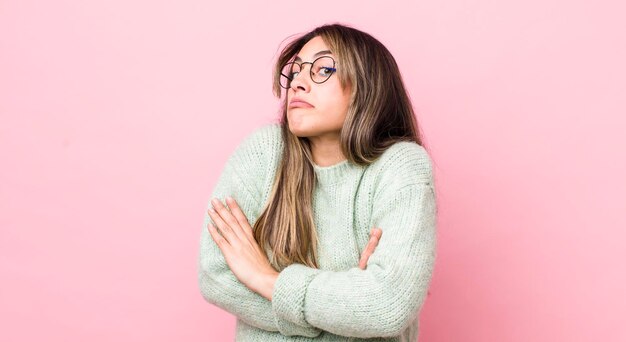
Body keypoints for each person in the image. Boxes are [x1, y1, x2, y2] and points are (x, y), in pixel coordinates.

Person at [198, 23, 437, 341]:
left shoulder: (401, 166)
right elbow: (216, 276)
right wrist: (343, 309)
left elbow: (386, 305)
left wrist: (265, 278)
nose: (297, 83)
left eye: (323, 69)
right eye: (294, 71)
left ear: (367, 85)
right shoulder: (264, 152)